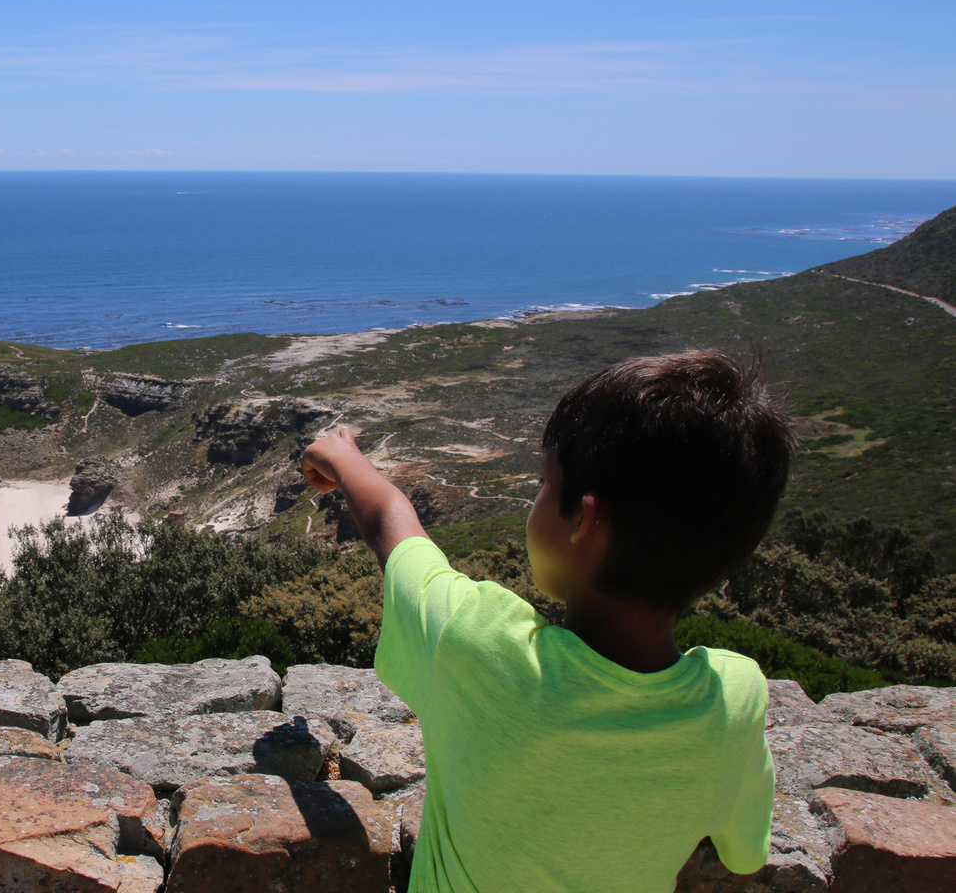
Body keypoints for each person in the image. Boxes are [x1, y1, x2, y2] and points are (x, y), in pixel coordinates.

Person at [299, 349, 794, 893]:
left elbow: (391, 528)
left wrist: (343, 458)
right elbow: (745, 855)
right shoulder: (736, 698)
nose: (534, 501)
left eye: (543, 483)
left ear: (585, 519)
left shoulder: (480, 645)